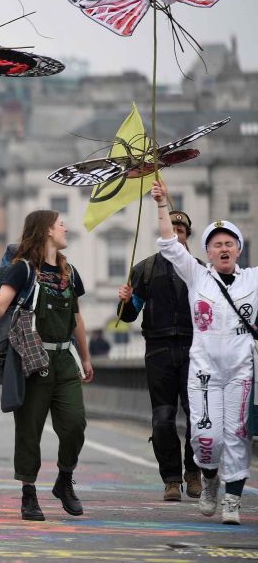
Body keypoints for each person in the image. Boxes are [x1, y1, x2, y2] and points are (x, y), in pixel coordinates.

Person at [0, 210, 93, 522]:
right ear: (46, 231)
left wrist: (84, 357)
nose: (65, 228)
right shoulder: (22, 270)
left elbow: (77, 317)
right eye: (60, 224)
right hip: (32, 359)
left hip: (65, 360)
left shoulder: (71, 272)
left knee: (74, 424)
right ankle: (28, 494)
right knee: (29, 430)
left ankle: (64, 478)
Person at [151, 181, 254, 525]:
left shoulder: (253, 281)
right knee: (206, 439)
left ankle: (233, 501)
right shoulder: (197, 277)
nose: (224, 249)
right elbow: (169, 242)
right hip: (204, 373)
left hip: (241, 373)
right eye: (216, 244)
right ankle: (209, 481)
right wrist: (162, 203)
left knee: (237, 435)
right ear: (207, 252)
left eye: (229, 244)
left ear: (238, 250)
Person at [116, 209, 202, 502]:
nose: (175, 235)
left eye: (180, 231)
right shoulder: (144, 270)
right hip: (158, 350)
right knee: (163, 418)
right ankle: (171, 479)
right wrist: (125, 301)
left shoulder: (200, 269)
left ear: (187, 236)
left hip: (195, 351)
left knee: (197, 415)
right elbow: (128, 316)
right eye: (171, 230)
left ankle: (194, 472)